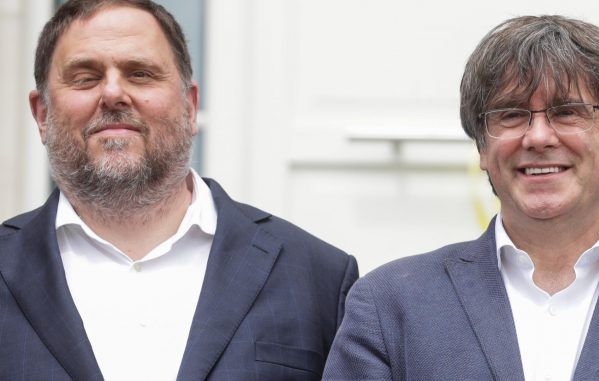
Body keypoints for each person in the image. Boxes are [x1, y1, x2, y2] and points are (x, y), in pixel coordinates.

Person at [0, 0, 357, 379]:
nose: (114, 93)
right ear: (42, 114)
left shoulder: (317, 277)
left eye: (140, 74)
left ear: (190, 107)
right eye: (86, 77)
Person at [323, 15, 599, 381]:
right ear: (482, 146)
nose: (538, 137)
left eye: (567, 112)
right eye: (511, 114)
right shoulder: (390, 303)